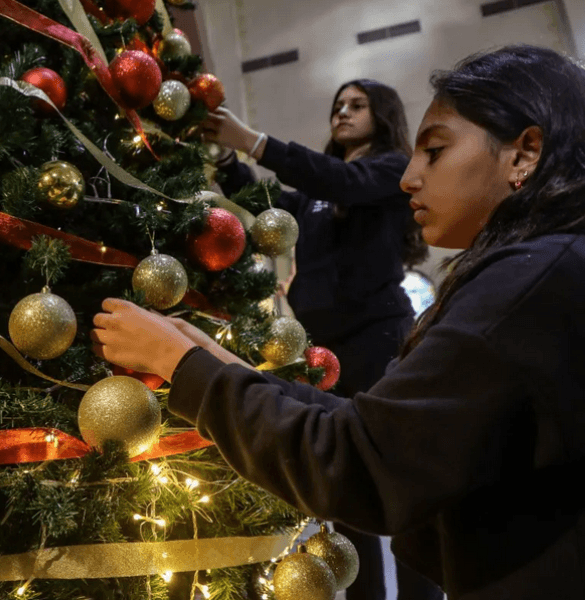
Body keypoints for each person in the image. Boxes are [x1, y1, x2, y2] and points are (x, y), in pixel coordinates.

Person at [91, 44, 585, 600]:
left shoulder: (528, 283)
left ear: (525, 153)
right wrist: (219, 363)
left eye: (434, 151)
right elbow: (374, 432)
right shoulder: (550, 267)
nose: (411, 178)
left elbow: (362, 462)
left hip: (371, 334)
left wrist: (178, 363)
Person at [201, 80, 436, 600]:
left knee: (396, 473)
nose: (342, 114)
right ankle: (366, 590)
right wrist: (226, 159)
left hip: (378, 338)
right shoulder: (319, 197)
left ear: (384, 114)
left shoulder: (388, 168)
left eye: (357, 105)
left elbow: (341, 180)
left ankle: (424, 593)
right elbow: (274, 205)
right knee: (343, 479)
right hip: (324, 345)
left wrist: (254, 141)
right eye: (337, 107)